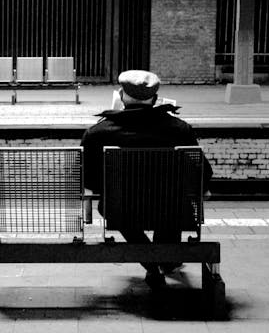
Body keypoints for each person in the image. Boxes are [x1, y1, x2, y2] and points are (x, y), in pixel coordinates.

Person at [80, 70, 213, 290]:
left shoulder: (98, 133)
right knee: (171, 201)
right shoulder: (180, 129)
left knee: (115, 207)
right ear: (154, 99)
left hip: (122, 211)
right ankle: (165, 259)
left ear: (121, 96)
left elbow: (88, 178)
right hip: (173, 209)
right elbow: (201, 171)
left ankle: (152, 266)